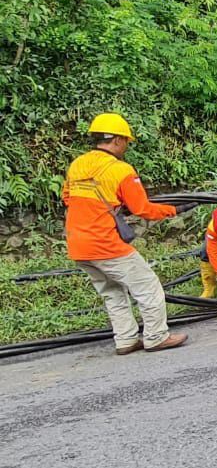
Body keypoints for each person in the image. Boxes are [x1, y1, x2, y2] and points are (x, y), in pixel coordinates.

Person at [62, 113, 192, 355]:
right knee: (148, 286)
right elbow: (143, 209)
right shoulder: (121, 170)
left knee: (112, 292)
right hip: (104, 244)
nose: (126, 147)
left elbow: (67, 198)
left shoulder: (77, 164)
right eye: (127, 142)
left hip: (78, 245)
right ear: (118, 140)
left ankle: (126, 340)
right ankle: (156, 337)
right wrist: (176, 209)